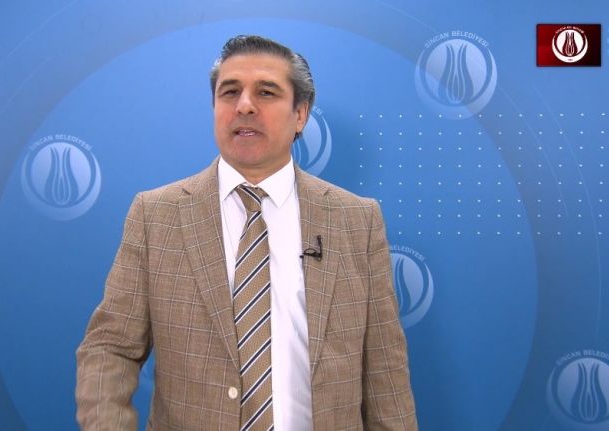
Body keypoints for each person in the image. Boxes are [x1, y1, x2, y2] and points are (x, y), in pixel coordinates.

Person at [76, 34, 417, 430]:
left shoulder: (356, 220)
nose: (244, 106)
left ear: (300, 114)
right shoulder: (157, 215)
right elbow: (110, 348)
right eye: (230, 92)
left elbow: (385, 372)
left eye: (266, 92)